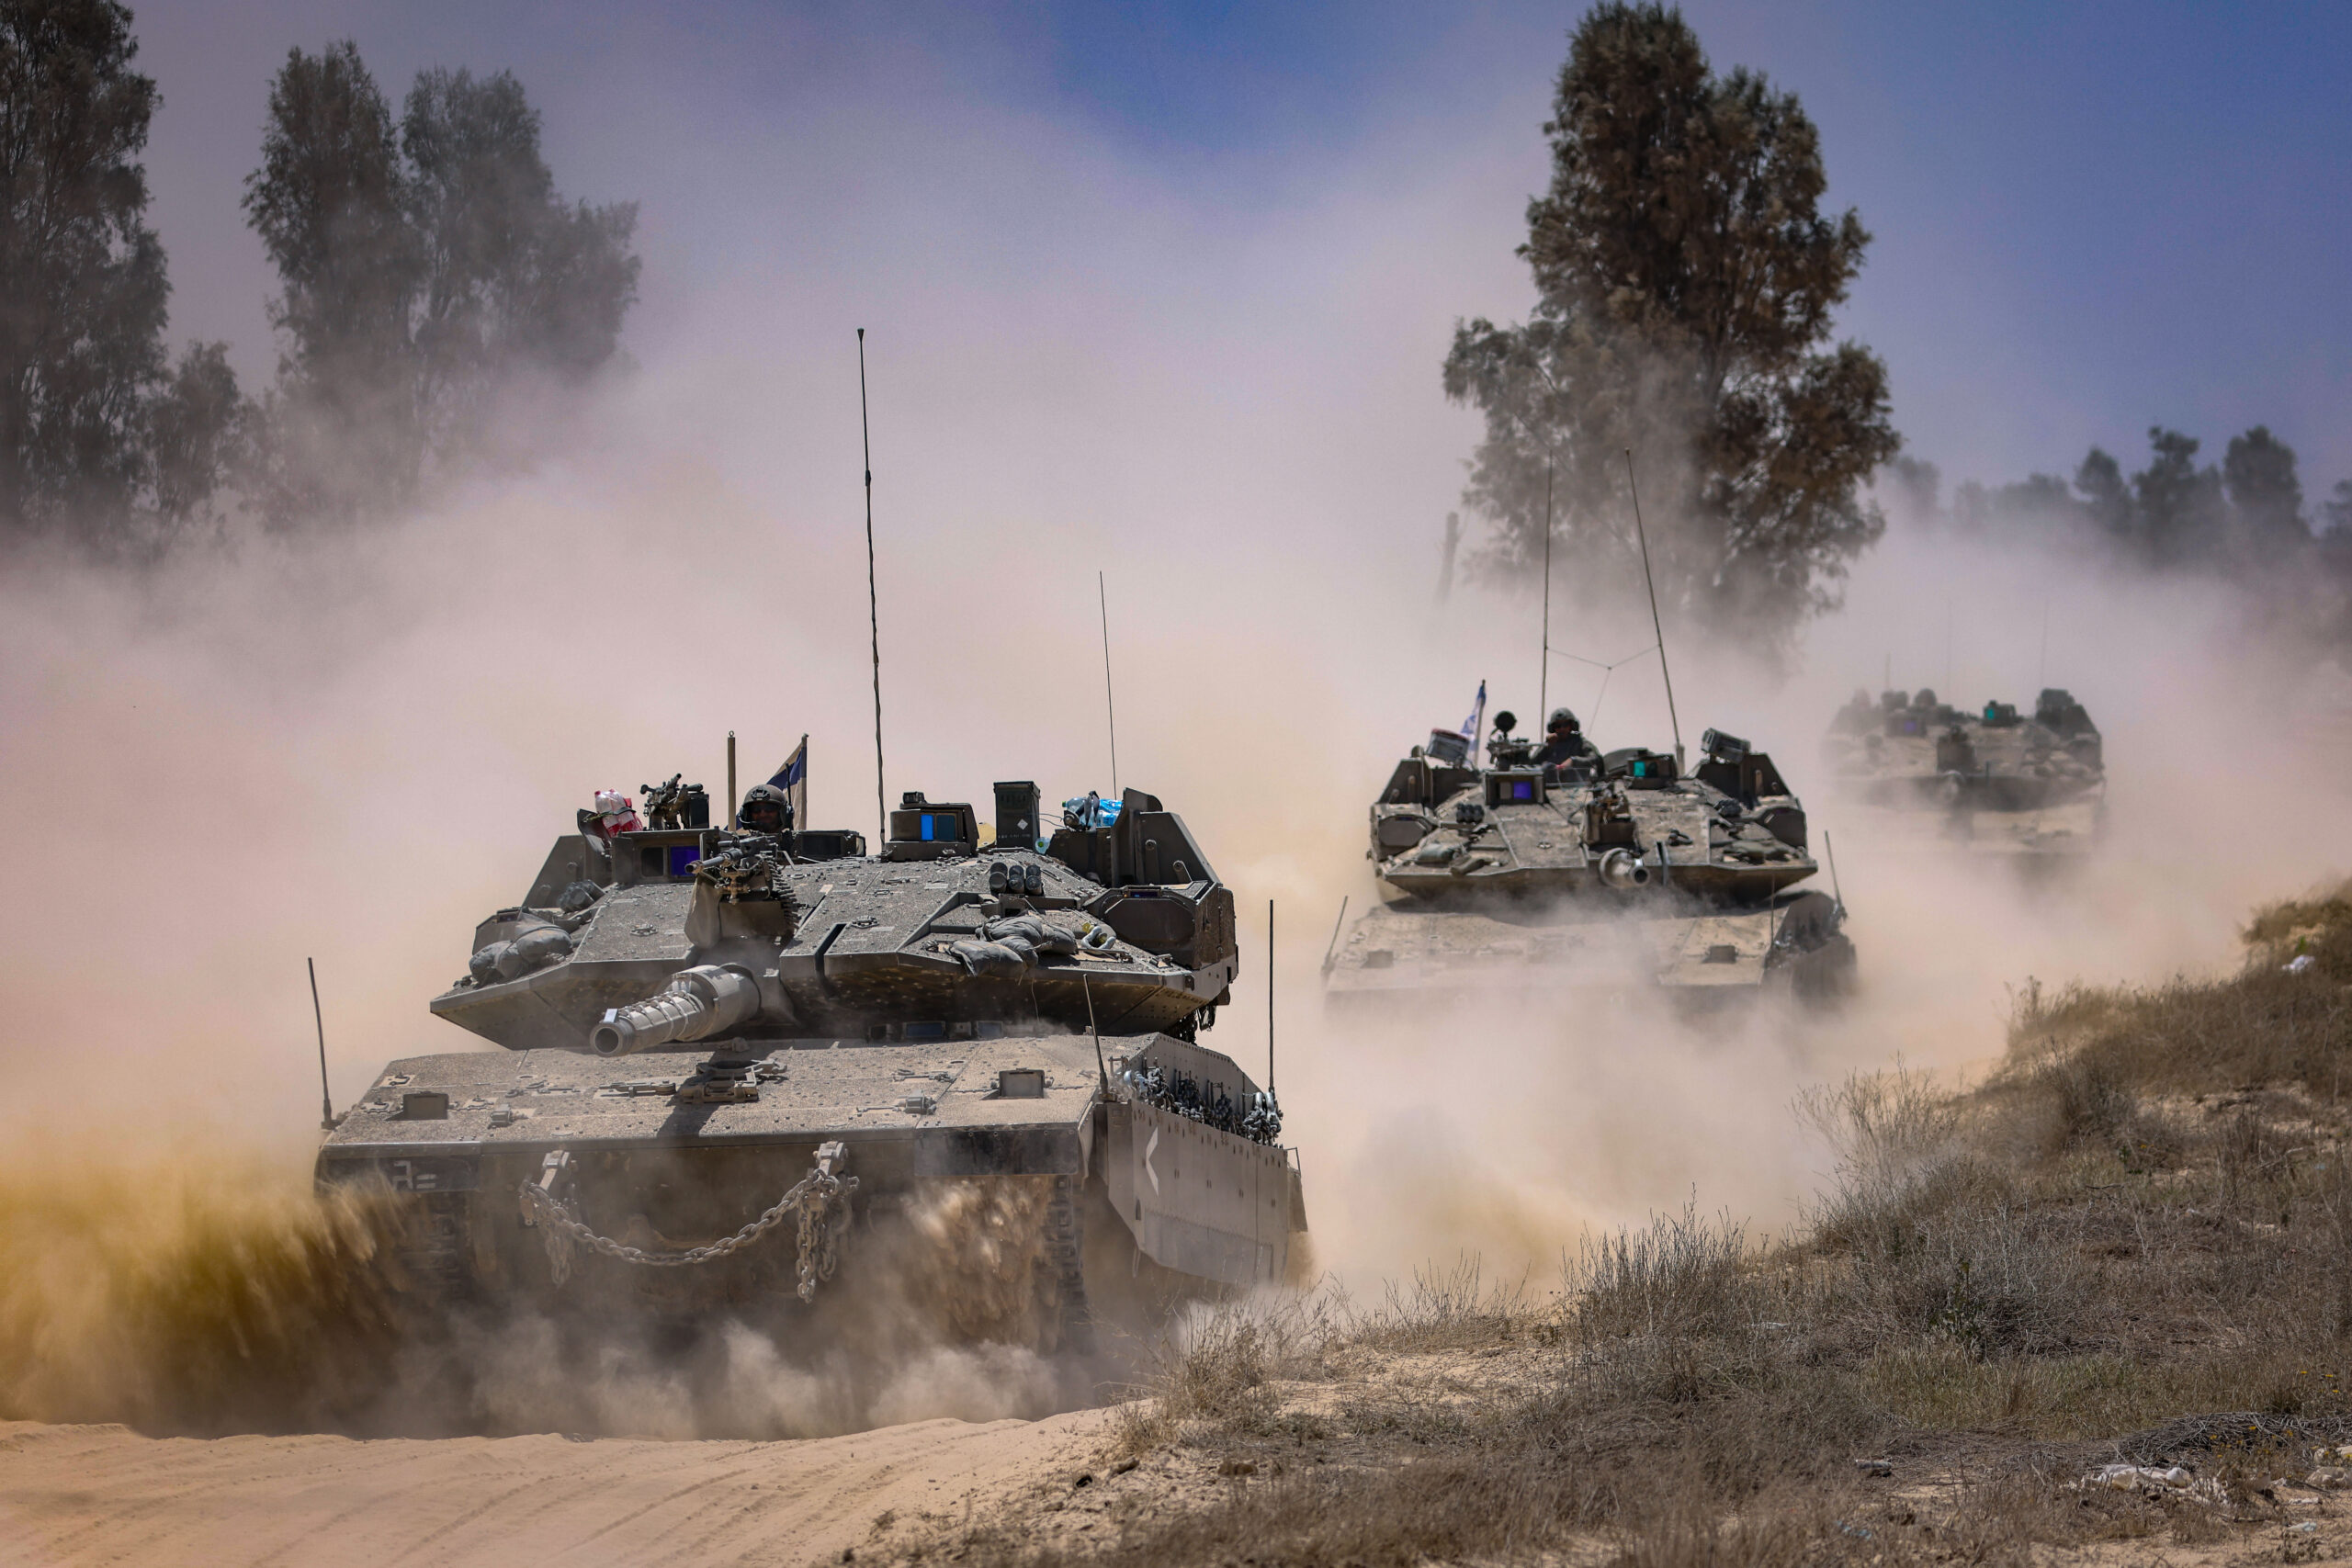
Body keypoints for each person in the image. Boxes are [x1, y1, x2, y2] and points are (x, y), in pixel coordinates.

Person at [1533, 707, 1600, 775]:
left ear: (1571, 726)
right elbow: (1532, 763)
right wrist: (1546, 747)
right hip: (1551, 783)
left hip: (1576, 783)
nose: (1562, 729)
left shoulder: (1580, 743)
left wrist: (1574, 761)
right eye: (1558, 726)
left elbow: (1596, 759)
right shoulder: (1550, 744)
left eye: (1565, 725)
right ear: (1553, 728)